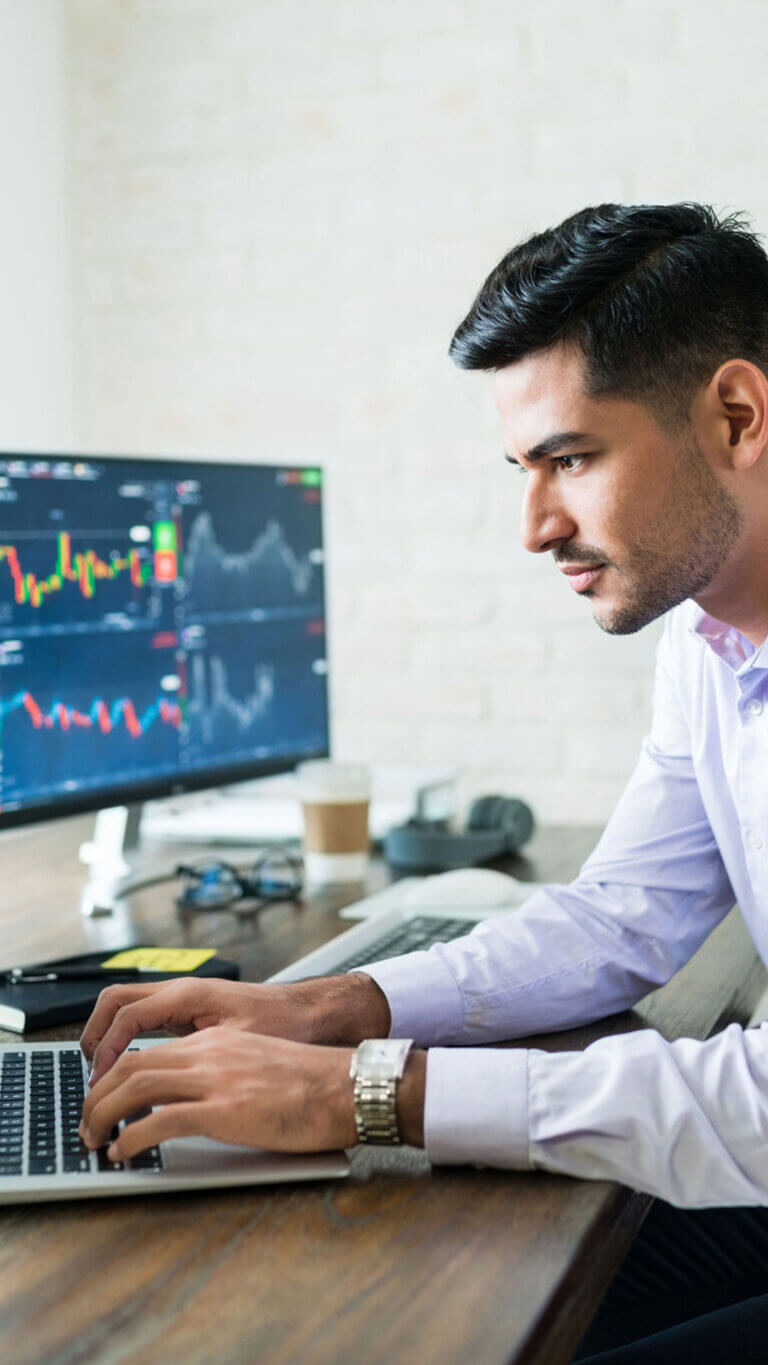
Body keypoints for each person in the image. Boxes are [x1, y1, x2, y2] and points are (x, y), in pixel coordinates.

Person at [80, 203, 768, 1362]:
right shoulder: (708, 648)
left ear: (737, 417)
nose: (534, 525)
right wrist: (327, 1009)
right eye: (521, 468)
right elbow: (622, 920)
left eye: (571, 459)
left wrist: (363, 1093)